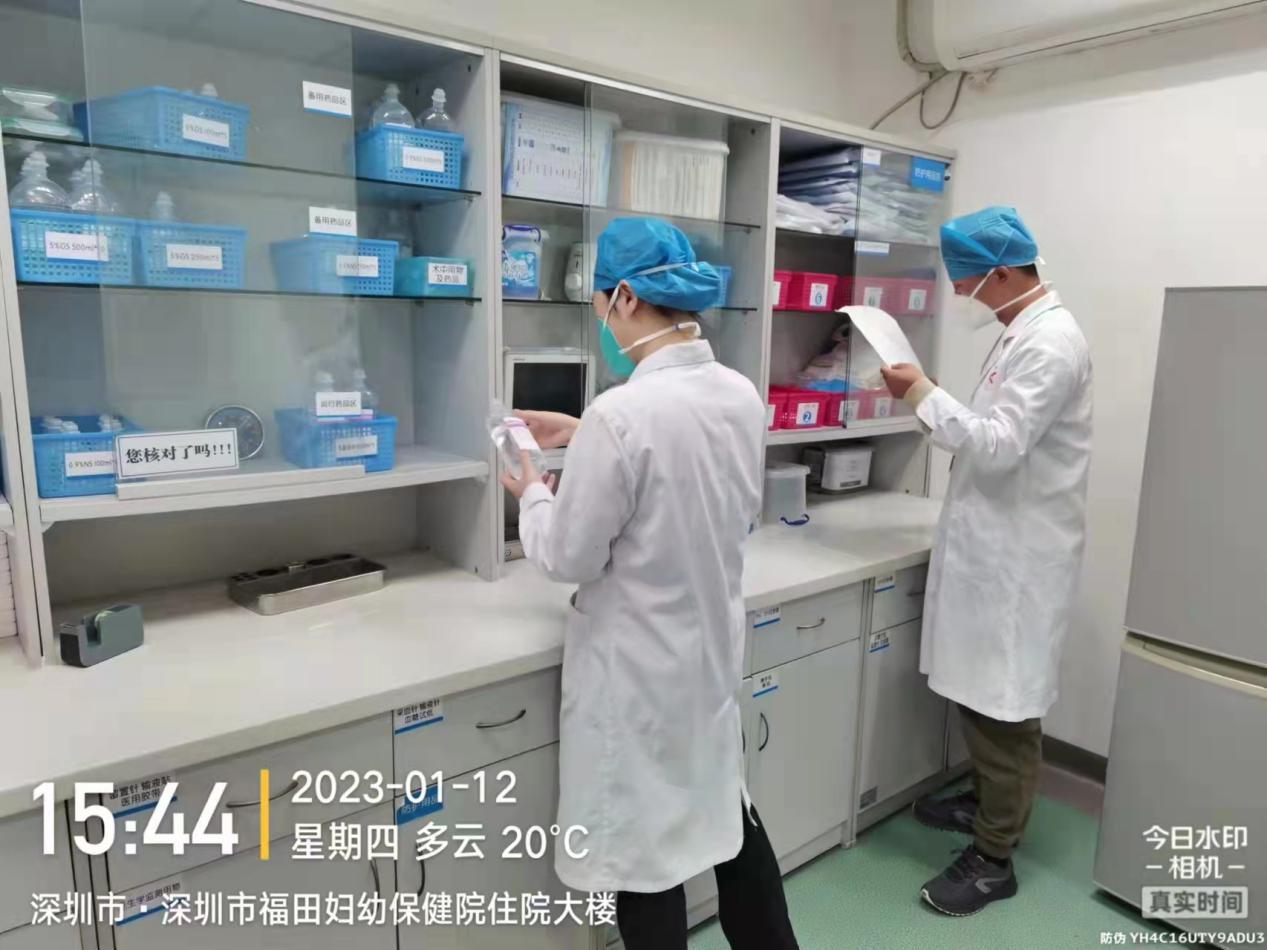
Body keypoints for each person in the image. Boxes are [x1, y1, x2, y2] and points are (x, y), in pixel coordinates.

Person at [501, 217, 799, 950]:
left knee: (642, 862)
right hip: (706, 654)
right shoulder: (737, 392)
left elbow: (568, 557)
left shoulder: (622, 414)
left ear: (627, 297)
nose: (602, 319)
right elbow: (683, 463)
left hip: (637, 673)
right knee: (726, 819)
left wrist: (532, 492)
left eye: (602, 303)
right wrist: (584, 433)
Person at [880, 206, 1093, 917]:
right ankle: (986, 802)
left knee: (1003, 704)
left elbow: (998, 445)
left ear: (1001, 273)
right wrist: (926, 398)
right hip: (995, 545)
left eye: (965, 279)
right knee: (981, 695)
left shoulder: (1050, 342)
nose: (959, 293)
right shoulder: (1020, 330)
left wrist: (920, 393)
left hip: (1020, 558)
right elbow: (991, 435)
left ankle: (994, 858)